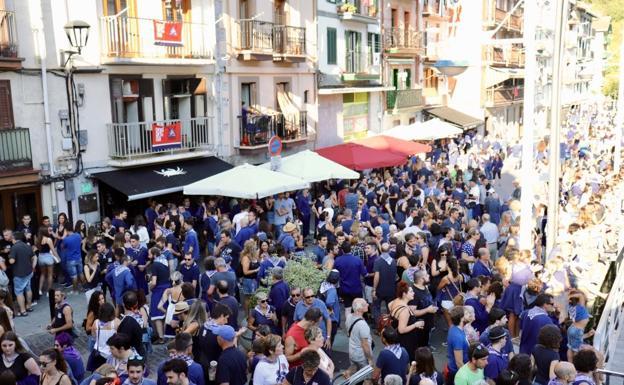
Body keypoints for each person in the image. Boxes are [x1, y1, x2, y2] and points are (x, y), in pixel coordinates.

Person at [388, 282, 428, 362]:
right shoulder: (405, 310)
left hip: (398, 340)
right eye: (411, 291)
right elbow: (401, 330)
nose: (414, 293)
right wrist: (415, 325)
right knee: (408, 360)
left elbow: (389, 306)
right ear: (404, 294)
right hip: (406, 341)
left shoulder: (394, 301)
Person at [9, 232, 36, 316]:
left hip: (19, 273)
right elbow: (34, 257)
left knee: (19, 292)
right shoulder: (27, 246)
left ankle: (23, 310)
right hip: (29, 271)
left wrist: (9, 258)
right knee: (28, 289)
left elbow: (12, 261)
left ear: (14, 238)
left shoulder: (14, 247)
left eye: (11, 238)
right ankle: (29, 306)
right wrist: (33, 267)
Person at [334, 242, 366, 311]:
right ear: (351, 249)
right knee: (359, 308)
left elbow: (335, 274)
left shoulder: (337, 260)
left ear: (342, 250)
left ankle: (348, 321)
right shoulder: (358, 260)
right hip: (356, 288)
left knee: (347, 308)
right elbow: (364, 273)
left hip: (344, 289)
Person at [345, 298, 374, 376]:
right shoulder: (362, 324)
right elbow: (365, 344)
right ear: (359, 309)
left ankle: (347, 375)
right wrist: (370, 359)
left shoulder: (349, 317)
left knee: (354, 367)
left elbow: (348, 333)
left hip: (352, 351)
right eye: (365, 304)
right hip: (361, 356)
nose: (368, 304)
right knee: (367, 377)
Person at [373, 243, 398, 324]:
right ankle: (389, 325)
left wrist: (374, 289)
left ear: (381, 250)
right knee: (389, 309)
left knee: (377, 308)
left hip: (380, 289)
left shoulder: (377, 261)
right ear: (389, 250)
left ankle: (378, 326)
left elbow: (377, 276)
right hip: (391, 290)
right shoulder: (394, 261)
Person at [117, 291, 146, 357]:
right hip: (140, 349)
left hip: (131, 354)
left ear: (124, 304)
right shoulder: (140, 314)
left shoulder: (127, 321)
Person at [447, 306, 469, 384]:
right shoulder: (457, 337)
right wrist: (467, 376)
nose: (469, 315)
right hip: (456, 372)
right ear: (461, 318)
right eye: (466, 313)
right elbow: (459, 362)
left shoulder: (455, 328)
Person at [36, 226, 59, 296]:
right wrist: (58, 257)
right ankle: (49, 291)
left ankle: (39, 290)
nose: (49, 231)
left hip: (40, 257)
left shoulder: (38, 239)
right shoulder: (48, 239)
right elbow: (53, 250)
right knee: (50, 275)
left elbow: (37, 248)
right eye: (48, 230)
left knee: (42, 274)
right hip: (48, 257)